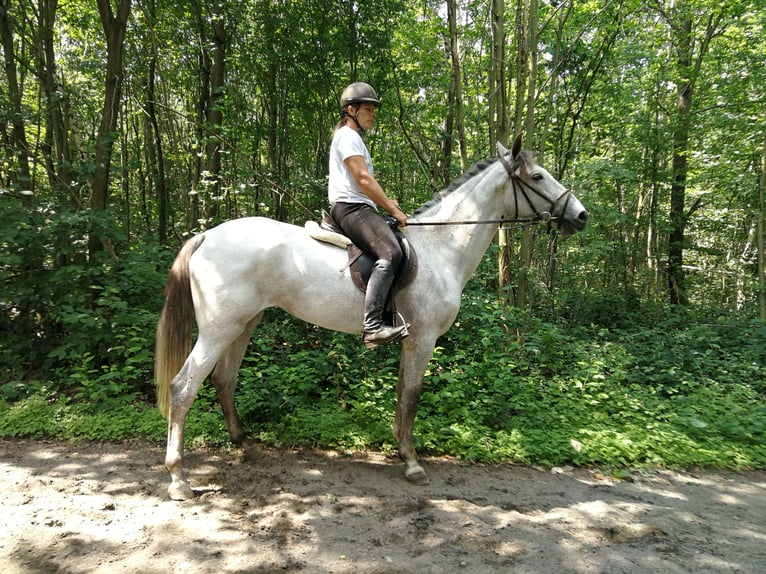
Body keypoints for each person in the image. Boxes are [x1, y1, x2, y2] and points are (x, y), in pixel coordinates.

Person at [328, 82, 409, 348]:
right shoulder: (348, 137)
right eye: (367, 109)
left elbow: (364, 184)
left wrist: (386, 203)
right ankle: (373, 326)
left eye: (374, 109)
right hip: (352, 207)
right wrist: (392, 208)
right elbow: (363, 179)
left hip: (359, 205)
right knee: (391, 252)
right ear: (351, 110)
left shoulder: (354, 138)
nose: (373, 114)